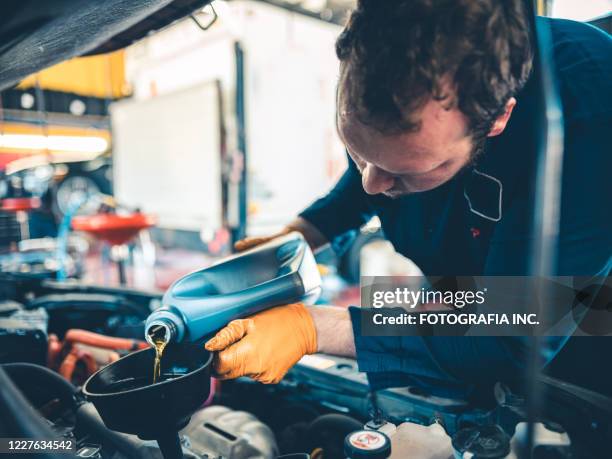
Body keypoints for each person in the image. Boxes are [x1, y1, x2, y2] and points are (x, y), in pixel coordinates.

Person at [205, 0, 612, 397]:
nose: (371, 184)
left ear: (498, 119)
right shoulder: (389, 61)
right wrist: (299, 236)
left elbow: (510, 336)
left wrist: (313, 328)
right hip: (458, 304)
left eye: (404, 173)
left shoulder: (589, 112)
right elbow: (372, 172)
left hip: (575, 348)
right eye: (356, 151)